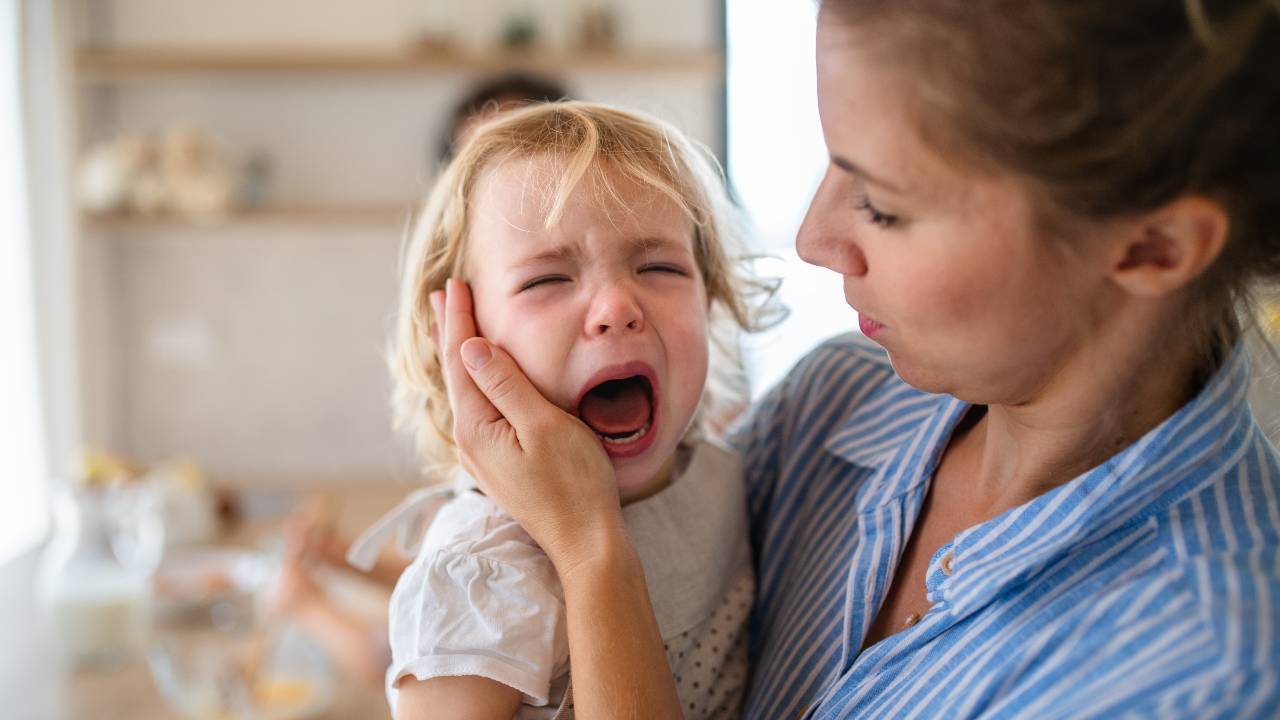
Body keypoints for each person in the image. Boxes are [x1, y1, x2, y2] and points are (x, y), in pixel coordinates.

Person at [431, 1, 1280, 717]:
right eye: (832, 164)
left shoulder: (1200, 676)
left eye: (882, 204)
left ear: (1155, 245)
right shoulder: (836, 398)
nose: (812, 238)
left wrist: (589, 546)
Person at [351, 101, 774, 718]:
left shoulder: (720, 474)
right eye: (547, 280)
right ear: (460, 337)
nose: (615, 307)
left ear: (710, 301)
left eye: (659, 266)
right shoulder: (483, 572)